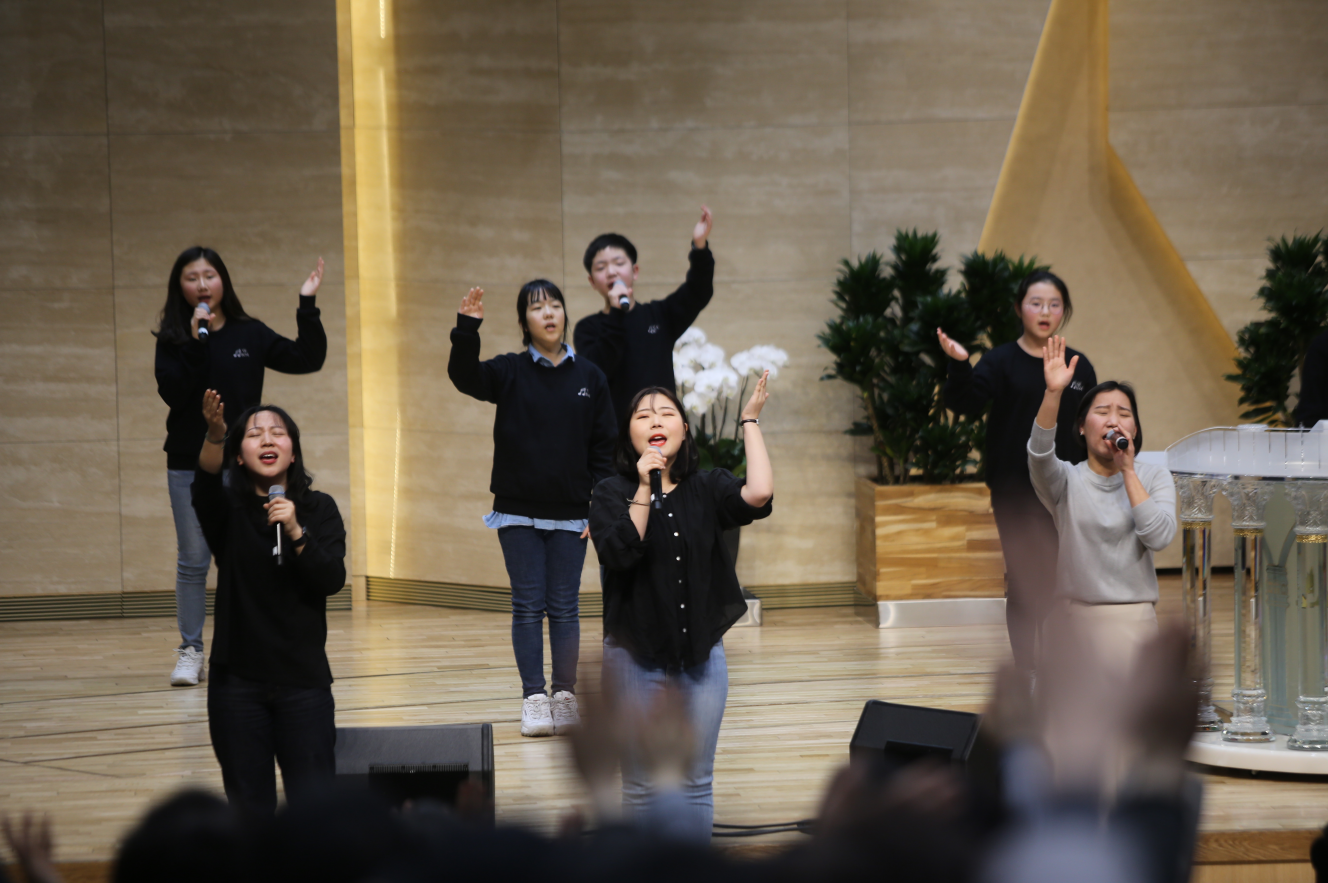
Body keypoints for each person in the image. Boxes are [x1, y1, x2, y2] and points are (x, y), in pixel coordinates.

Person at [588, 377, 774, 844]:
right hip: (633, 656)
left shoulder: (706, 486)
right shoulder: (610, 492)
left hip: (701, 657)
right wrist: (644, 484)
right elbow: (621, 551)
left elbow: (758, 494)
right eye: (643, 415)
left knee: (695, 784)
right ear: (629, 435)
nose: (655, 420)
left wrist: (749, 420)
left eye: (666, 413)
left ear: (684, 430)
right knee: (641, 786)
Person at [448, 281, 617, 738]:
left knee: (564, 607)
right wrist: (467, 329)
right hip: (517, 513)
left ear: (564, 314)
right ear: (524, 320)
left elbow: (604, 450)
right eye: (538, 307)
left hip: (572, 515)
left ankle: (564, 694)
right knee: (527, 606)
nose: (549, 313)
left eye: (555, 305)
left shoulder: (591, 378)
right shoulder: (510, 370)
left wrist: (600, 509)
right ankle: (533, 698)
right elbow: (465, 377)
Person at [154, 246, 328, 687]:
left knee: (252, 553)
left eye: (209, 275)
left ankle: (256, 644)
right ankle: (191, 651)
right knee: (194, 559)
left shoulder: (249, 333)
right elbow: (174, 393)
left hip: (245, 466)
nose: (202, 285)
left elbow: (308, 358)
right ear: (180, 287)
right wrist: (196, 343)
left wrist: (307, 304)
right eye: (192, 278)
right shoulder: (174, 339)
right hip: (190, 463)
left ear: (223, 281)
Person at [937, 270, 1096, 678]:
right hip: (1014, 490)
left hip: (1066, 489)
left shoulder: (1078, 366)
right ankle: (1026, 669)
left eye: (1054, 304)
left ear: (1064, 311)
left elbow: (1089, 427)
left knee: (1064, 578)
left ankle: (1062, 665)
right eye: (1035, 303)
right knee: (1025, 578)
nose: (1045, 311)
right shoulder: (1001, 360)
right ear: (1019, 308)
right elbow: (964, 402)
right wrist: (960, 364)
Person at [194, 394, 346, 816]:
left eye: (277, 433)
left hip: (303, 682)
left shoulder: (319, 509)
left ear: (293, 453)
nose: (266, 439)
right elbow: (204, 483)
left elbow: (331, 579)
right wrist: (215, 434)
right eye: (254, 434)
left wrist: (296, 530)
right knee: (249, 813)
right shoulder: (228, 511)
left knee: (315, 812)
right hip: (237, 685)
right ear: (238, 456)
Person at [1028, 337, 1176, 672]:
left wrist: (1128, 472)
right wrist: (1053, 393)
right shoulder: (1066, 480)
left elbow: (1159, 537)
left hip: (1136, 622)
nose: (1113, 421)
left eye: (1124, 414)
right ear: (1082, 427)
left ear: (1134, 429)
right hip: (1073, 621)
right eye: (1102, 412)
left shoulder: (1154, 477)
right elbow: (1038, 454)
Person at [573, 207, 715, 420]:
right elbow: (599, 370)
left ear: (635, 271)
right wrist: (616, 314)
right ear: (592, 282)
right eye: (601, 267)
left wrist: (699, 246)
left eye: (619, 263)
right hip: (616, 434)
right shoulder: (587, 328)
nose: (611, 272)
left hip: (663, 428)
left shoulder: (659, 315)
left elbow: (698, 290)